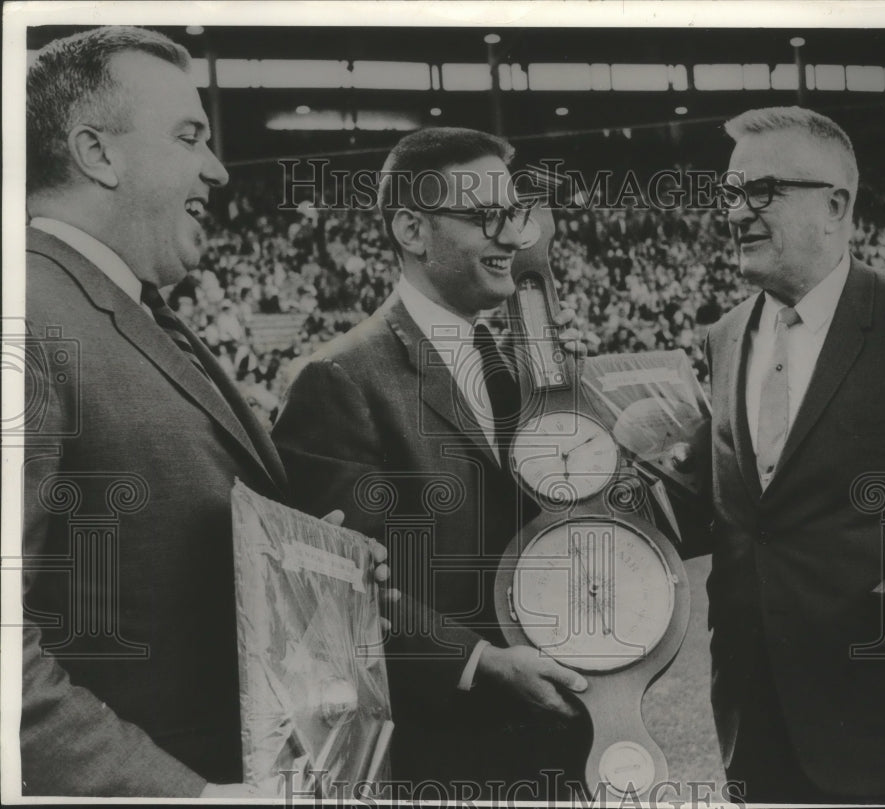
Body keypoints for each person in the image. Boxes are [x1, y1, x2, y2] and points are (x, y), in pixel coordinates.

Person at [21, 26, 392, 798]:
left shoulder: (135, 308)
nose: (219, 169)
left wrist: (322, 579)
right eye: (190, 136)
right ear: (97, 153)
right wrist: (188, 796)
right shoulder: (26, 313)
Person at [272, 127, 591, 798]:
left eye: (515, 214)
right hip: (440, 755)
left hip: (558, 738)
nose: (512, 237)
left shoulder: (523, 366)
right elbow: (344, 589)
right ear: (413, 230)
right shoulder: (338, 379)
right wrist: (484, 662)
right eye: (486, 218)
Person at [705, 106, 885, 804]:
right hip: (753, 722)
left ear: (836, 205)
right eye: (730, 193)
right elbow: (745, 510)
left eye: (761, 190)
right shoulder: (723, 335)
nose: (736, 212)